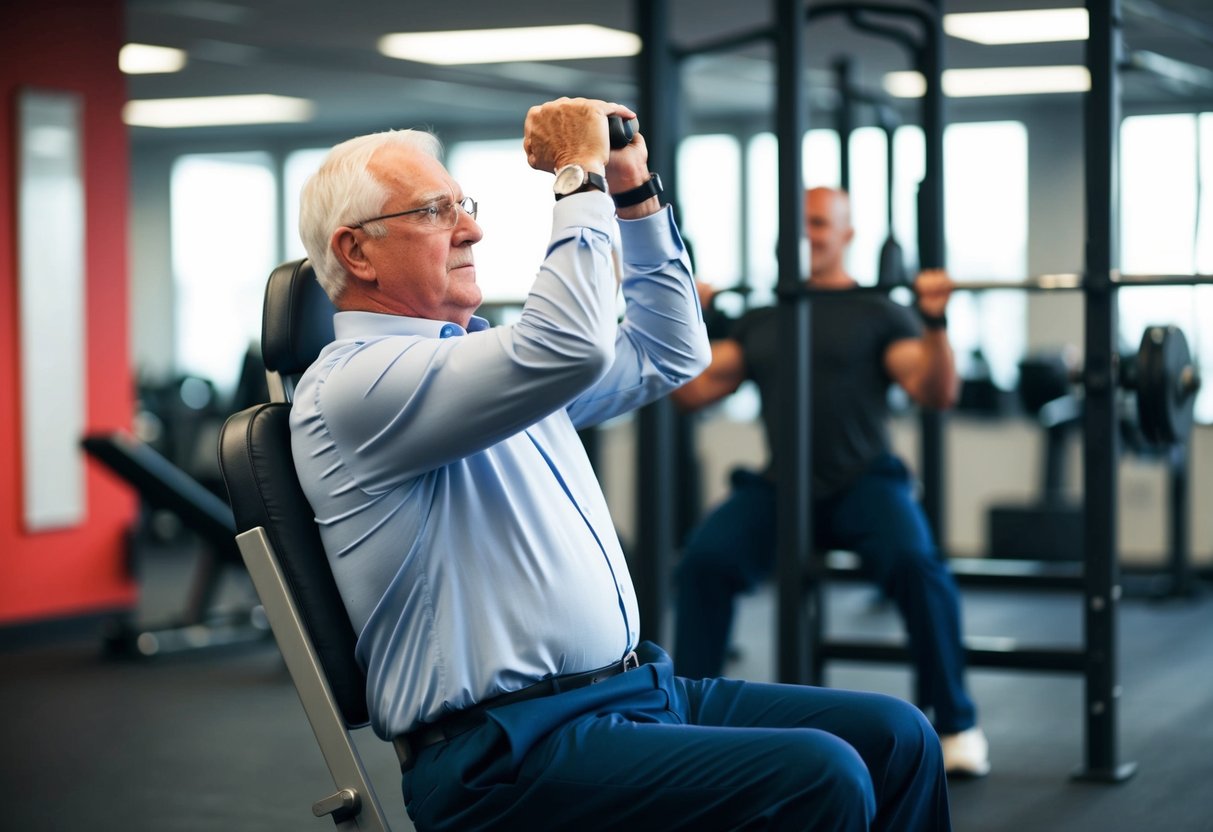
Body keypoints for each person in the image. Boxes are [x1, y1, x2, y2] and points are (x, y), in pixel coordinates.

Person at [291, 99, 952, 830]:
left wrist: (632, 191)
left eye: (463, 205)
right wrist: (577, 177)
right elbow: (571, 344)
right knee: (817, 777)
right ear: (355, 252)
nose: (471, 228)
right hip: (508, 750)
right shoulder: (354, 385)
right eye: (435, 211)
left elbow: (671, 353)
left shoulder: (477, 365)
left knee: (897, 737)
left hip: (635, 691)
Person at [671, 186, 990, 778]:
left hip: (863, 481)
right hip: (779, 486)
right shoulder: (763, 318)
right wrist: (687, 312)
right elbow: (691, 393)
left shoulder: (877, 311)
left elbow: (936, 392)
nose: (808, 235)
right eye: (799, 224)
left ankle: (955, 722)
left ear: (846, 234)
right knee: (703, 562)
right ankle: (686, 726)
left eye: (820, 224)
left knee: (919, 567)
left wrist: (936, 321)